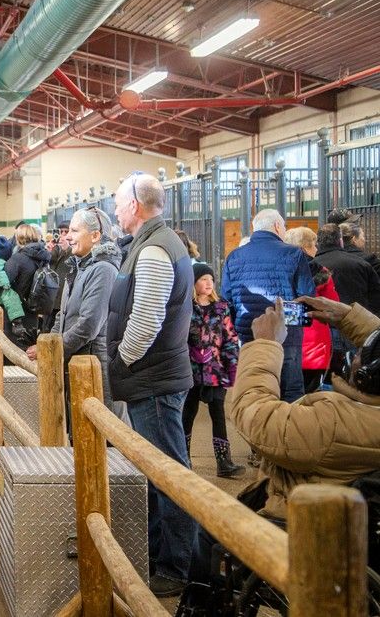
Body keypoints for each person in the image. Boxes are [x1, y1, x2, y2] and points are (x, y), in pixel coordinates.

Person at [180, 295, 380, 610]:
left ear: (367, 376)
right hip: (354, 525)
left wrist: (266, 344)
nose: (354, 356)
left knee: (210, 529)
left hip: (303, 529)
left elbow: (256, 416)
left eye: (360, 356)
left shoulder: (335, 423)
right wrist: (347, 318)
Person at [108, 172, 197, 596]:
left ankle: (178, 567)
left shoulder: (154, 250)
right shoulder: (152, 243)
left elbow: (146, 321)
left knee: (169, 474)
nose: (114, 211)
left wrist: (121, 362)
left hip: (153, 378)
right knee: (159, 471)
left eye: (117, 203)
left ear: (134, 206)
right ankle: (162, 555)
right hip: (155, 375)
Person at [219, 209, 314, 403]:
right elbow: (308, 297)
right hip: (286, 334)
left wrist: (241, 326)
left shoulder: (234, 256)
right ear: (277, 226)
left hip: (249, 335)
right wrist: (295, 323)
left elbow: (227, 300)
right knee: (290, 391)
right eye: (284, 226)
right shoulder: (294, 253)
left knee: (256, 389)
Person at [40, 207, 121, 416]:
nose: (68, 237)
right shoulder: (80, 266)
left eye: (74, 231)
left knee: (99, 425)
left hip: (94, 365)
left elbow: (88, 325)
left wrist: (54, 349)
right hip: (78, 363)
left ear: (95, 236)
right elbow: (63, 314)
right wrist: (50, 343)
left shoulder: (103, 270)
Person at [183, 262, 243, 478]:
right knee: (187, 414)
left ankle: (224, 462)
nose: (209, 283)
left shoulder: (221, 308)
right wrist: (190, 352)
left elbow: (230, 338)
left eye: (211, 279)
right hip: (190, 372)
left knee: (218, 414)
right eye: (203, 279)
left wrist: (232, 367)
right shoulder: (186, 308)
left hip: (215, 371)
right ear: (194, 283)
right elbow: (179, 337)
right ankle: (183, 459)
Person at [284, 226, 339, 393]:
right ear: (304, 247)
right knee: (310, 392)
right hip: (315, 342)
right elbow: (333, 304)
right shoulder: (320, 272)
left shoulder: (281, 270)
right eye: (314, 245)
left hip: (286, 339)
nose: (316, 249)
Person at [5, 223, 54, 339]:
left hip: (18, 311)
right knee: (30, 342)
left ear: (18, 238)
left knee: (15, 346)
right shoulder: (44, 257)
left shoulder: (18, 259)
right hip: (35, 308)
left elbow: (4, 281)